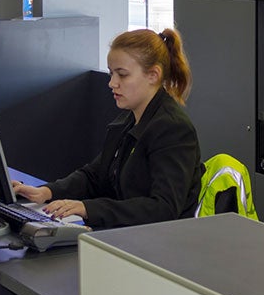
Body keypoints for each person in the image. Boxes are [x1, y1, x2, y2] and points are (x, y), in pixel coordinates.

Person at [11, 28, 203, 229]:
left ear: (153, 75)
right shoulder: (129, 118)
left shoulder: (173, 129)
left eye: (122, 75)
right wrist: (47, 192)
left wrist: (88, 209)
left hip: (157, 240)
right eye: (111, 73)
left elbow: (163, 208)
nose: (112, 83)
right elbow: (95, 175)